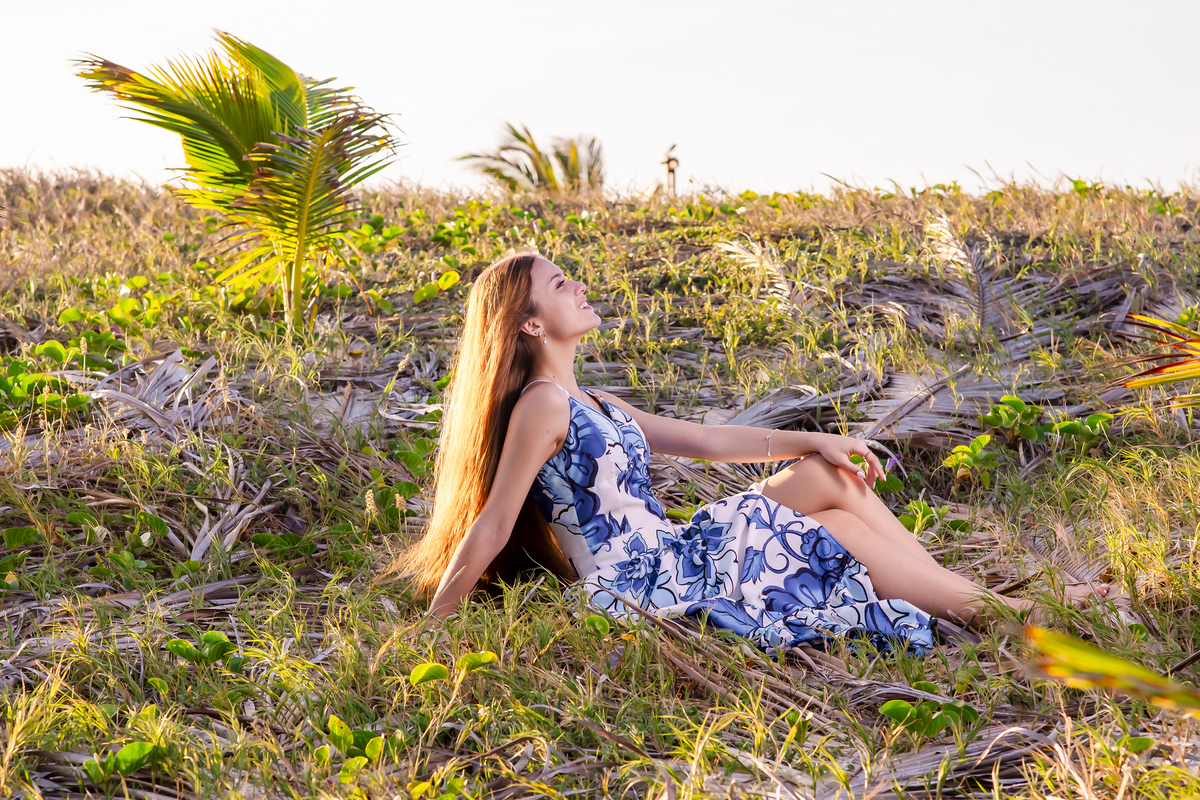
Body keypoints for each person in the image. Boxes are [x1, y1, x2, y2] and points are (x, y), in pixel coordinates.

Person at [400, 251, 1106, 654]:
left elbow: (707, 442)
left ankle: (981, 603)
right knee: (834, 527)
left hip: (674, 551)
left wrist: (816, 437)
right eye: (560, 285)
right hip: (641, 582)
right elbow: (492, 523)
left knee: (829, 477)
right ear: (528, 322)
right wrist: (431, 630)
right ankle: (1016, 610)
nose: (577, 286)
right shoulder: (544, 406)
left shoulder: (599, 406)